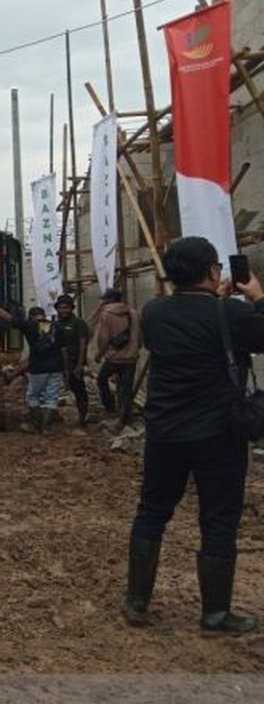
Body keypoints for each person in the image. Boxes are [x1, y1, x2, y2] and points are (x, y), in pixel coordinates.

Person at [124, 236, 264, 635]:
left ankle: (137, 601)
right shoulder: (231, 315)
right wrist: (256, 297)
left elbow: (188, 329)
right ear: (212, 271)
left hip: (165, 431)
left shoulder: (153, 312)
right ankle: (216, 614)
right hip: (218, 435)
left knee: (152, 513)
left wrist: (219, 303)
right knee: (218, 520)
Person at [0, 298, 63, 433]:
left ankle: (36, 426)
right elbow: (63, 348)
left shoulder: (29, 325)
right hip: (56, 366)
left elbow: (7, 317)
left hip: (38, 367)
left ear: (30, 316)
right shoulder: (56, 326)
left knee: (33, 396)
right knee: (51, 397)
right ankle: (46, 428)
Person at [94, 288, 141, 429]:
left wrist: (100, 353)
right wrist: (135, 349)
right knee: (126, 387)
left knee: (102, 379)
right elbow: (140, 337)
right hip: (131, 358)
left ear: (109, 300)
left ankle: (110, 407)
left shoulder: (106, 314)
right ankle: (126, 418)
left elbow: (104, 338)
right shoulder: (133, 312)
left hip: (113, 358)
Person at [53, 294, 91, 427]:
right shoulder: (55, 324)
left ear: (71, 308)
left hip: (73, 362)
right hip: (57, 362)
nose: (63, 311)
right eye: (60, 308)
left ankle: (82, 418)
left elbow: (83, 343)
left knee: (79, 389)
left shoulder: (78, 323)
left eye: (66, 308)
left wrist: (80, 364)